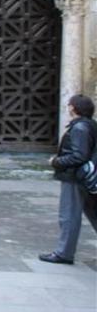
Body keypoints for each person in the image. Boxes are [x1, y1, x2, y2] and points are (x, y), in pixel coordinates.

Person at [39, 94, 97, 264]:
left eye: (69, 105)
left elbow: (79, 156)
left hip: (75, 177)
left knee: (69, 216)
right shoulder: (90, 125)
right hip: (86, 178)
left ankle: (64, 253)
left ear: (74, 108)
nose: (68, 107)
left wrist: (56, 162)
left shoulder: (80, 128)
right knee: (93, 214)